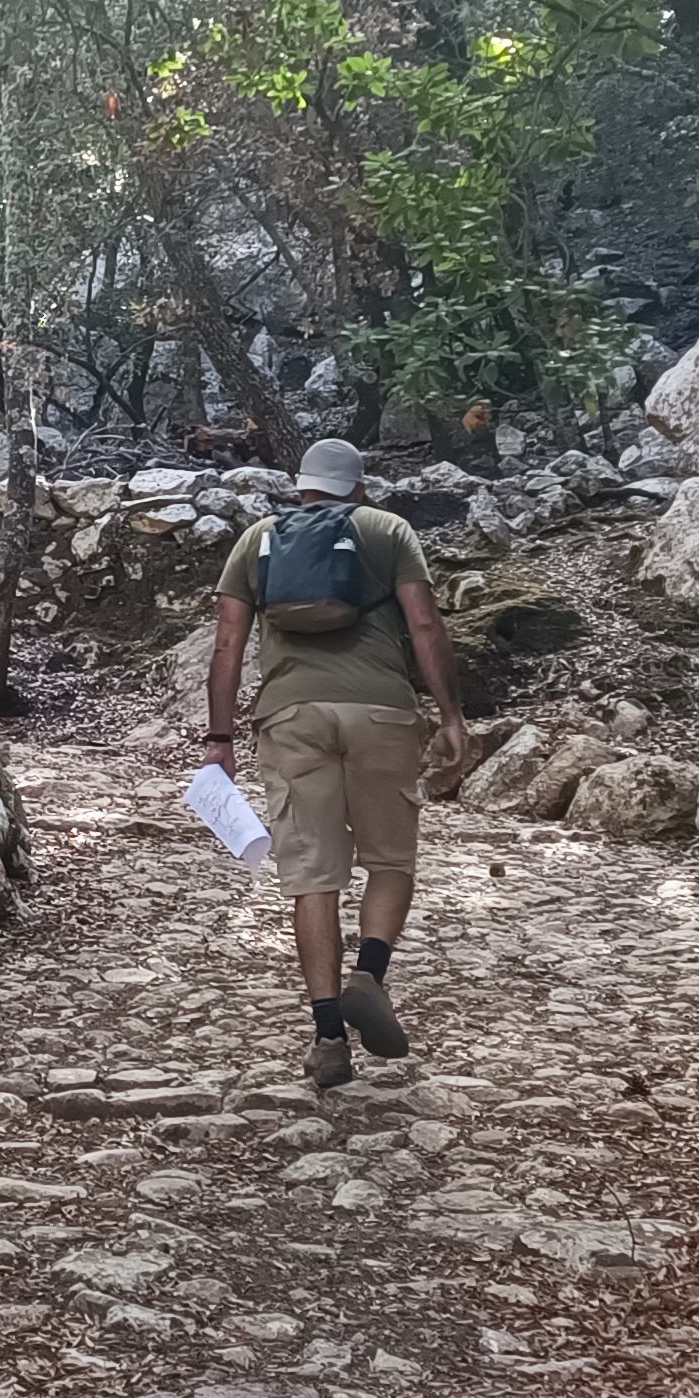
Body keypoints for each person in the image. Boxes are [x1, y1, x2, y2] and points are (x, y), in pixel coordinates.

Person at [203, 438, 473, 1087]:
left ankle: (328, 1038)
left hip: (291, 718)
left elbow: (228, 643)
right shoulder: (387, 529)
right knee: (390, 860)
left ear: (301, 488)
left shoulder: (258, 540)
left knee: (313, 877)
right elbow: (426, 626)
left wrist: (219, 737)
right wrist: (453, 714)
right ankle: (369, 976)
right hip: (382, 713)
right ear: (358, 488)